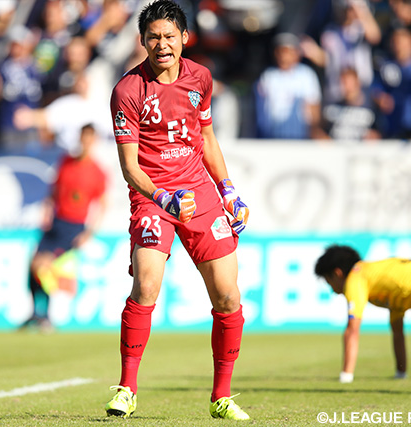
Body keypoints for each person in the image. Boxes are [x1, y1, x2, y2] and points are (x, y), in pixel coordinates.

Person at [106, 0, 250, 420]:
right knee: (147, 285)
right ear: (142, 41)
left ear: (185, 38)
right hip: (153, 197)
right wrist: (162, 197)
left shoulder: (200, 77)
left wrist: (227, 190)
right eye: (153, 37)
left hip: (199, 194)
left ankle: (221, 397)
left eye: (169, 36)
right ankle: (127, 389)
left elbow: (206, 138)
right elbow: (130, 167)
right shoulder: (127, 91)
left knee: (228, 295)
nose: (162, 44)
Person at [314, 244, 411, 383]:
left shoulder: (355, 277)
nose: (332, 290)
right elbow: (398, 333)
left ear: (337, 273)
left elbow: (352, 330)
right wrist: (400, 373)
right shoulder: (379, 279)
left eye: (329, 281)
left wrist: (346, 376)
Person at [21, 123, 107, 332]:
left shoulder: (97, 172)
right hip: (56, 222)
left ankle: (46, 316)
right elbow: (54, 191)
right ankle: (36, 313)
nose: (86, 142)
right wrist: (47, 210)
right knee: (33, 266)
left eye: (90, 138)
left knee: (44, 266)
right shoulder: (66, 162)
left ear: (94, 141)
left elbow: (102, 204)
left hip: (74, 226)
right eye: (83, 137)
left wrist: (89, 233)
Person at [253, 32, 324, 140]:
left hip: (299, 136)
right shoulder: (268, 76)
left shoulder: (306, 75)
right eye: (280, 52)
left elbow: (314, 107)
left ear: (296, 53)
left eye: (288, 52)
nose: (283, 56)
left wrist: (314, 132)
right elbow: (261, 111)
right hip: (272, 137)